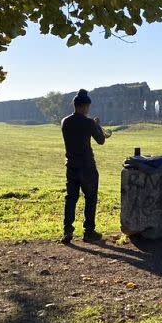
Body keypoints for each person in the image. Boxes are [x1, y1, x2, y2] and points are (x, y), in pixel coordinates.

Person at [60, 89, 106, 244]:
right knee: (91, 197)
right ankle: (89, 231)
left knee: (71, 198)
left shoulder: (65, 121)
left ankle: (67, 231)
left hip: (71, 165)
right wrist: (97, 125)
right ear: (86, 106)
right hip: (87, 166)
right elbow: (101, 140)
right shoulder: (89, 122)